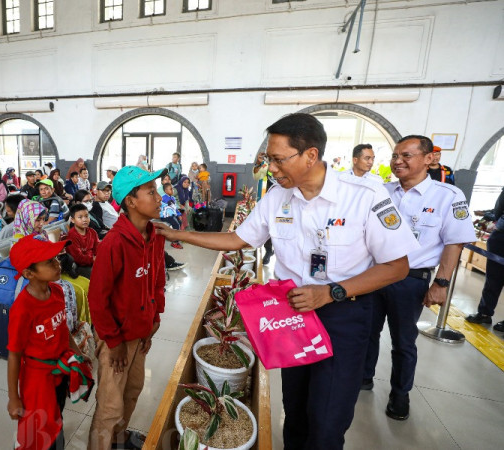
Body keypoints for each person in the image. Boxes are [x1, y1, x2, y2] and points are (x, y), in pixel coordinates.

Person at [155, 113, 419, 449]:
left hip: (343, 315)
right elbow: (238, 240)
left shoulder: (364, 196)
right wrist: (179, 234)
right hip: (292, 316)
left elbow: (397, 267)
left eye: (279, 160)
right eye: (269, 160)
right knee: (295, 413)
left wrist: (332, 292)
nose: (273, 169)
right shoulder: (277, 198)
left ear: (311, 155)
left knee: (326, 421)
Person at [362, 135, 475, 420]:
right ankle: (363, 377)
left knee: (403, 341)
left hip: (410, 280)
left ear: (429, 159)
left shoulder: (447, 196)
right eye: (395, 155)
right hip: (373, 275)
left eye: (406, 155)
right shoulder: (380, 192)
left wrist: (442, 283)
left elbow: (454, 242)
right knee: (366, 333)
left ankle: (400, 394)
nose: (397, 161)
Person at [87, 165, 167, 450]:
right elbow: (97, 299)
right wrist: (114, 341)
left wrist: (155, 317)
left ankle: (118, 442)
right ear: (130, 201)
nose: (159, 197)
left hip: (141, 332)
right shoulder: (114, 243)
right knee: (110, 406)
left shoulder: (154, 236)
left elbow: (158, 279)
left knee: (132, 391)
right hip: (116, 339)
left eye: (156, 191)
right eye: (151, 192)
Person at [7, 234, 92, 450]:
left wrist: (76, 353)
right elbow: (14, 354)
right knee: (38, 425)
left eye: (56, 258)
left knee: (57, 411)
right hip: (37, 378)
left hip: (59, 371)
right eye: (50, 262)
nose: (58, 264)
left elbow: (62, 327)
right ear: (29, 273)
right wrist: (13, 398)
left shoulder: (56, 291)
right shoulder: (22, 308)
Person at [466, 187, 504, 332]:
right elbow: (499, 208)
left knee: (493, 278)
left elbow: (499, 208)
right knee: (493, 277)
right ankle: (484, 312)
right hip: (501, 235)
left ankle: (484, 313)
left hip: (501, 233)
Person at [65, 203, 99, 279]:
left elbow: (97, 249)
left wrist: (98, 258)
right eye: (80, 217)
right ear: (73, 220)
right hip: (80, 266)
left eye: (86, 216)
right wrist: (93, 259)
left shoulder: (92, 232)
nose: (84, 219)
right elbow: (78, 258)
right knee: (96, 273)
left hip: (93, 261)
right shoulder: (72, 236)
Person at [160, 183, 184, 249]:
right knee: (176, 224)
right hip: (166, 216)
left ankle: (176, 236)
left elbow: (175, 208)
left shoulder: (173, 198)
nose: (172, 190)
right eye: (171, 189)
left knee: (179, 221)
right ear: (165, 190)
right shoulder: (163, 198)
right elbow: (158, 205)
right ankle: (175, 242)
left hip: (172, 215)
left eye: (172, 189)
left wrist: (179, 215)